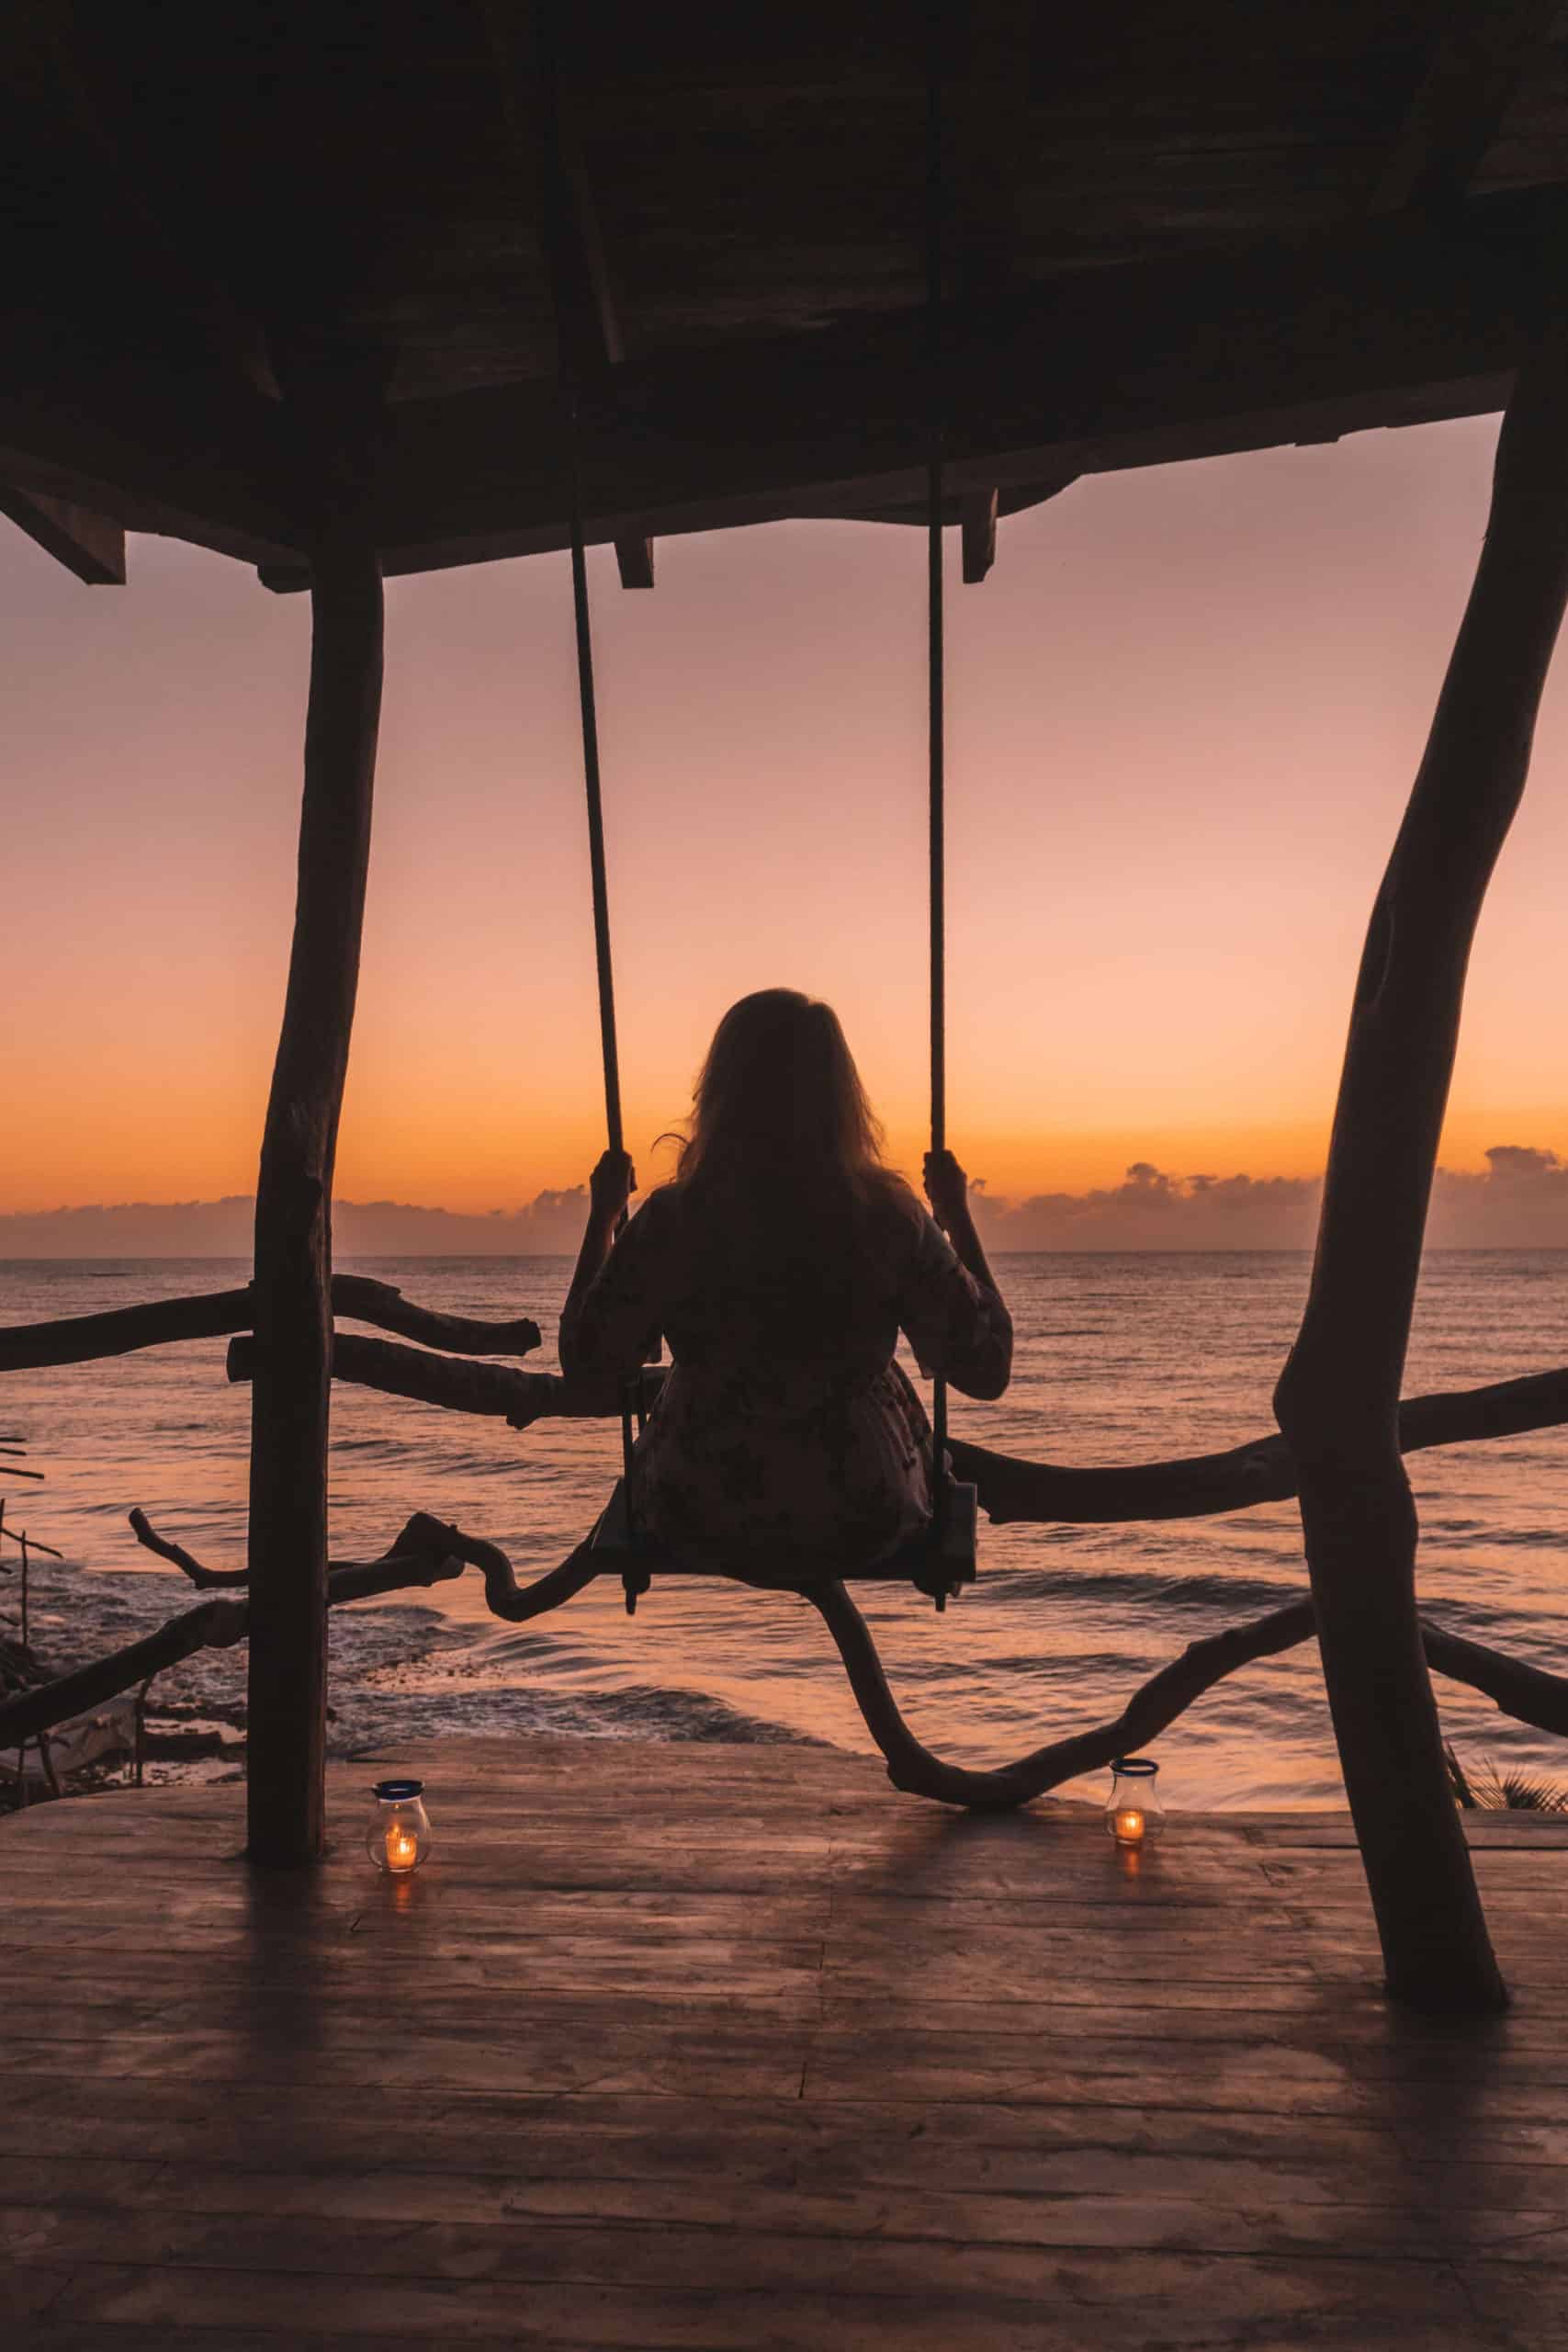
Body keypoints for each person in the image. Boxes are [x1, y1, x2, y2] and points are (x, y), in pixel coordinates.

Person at [558, 988, 1011, 1575]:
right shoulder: (884, 1215)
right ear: (841, 1097)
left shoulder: (676, 1219)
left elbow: (587, 1364)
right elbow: (986, 1368)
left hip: (698, 1507)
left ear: (719, 1092)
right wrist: (956, 1215)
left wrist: (604, 1217)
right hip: (856, 1509)